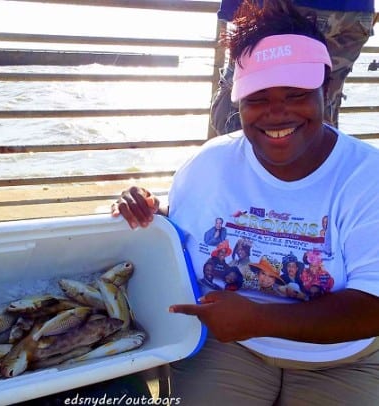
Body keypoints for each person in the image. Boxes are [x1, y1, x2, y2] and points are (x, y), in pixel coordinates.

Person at [111, 1, 379, 404]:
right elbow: (185, 236)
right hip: (230, 346)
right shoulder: (207, 164)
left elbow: (372, 308)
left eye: (296, 94)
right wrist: (146, 215)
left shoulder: (366, 178)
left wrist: (259, 319)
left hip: (343, 355)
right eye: (257, 97)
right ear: (237, 101)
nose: (277, 112)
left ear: (327, 90)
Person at [210, 0, 376, 134]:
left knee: (241, 102)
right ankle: (319, 173)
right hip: (358, 14)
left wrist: (235, 8)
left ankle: (242, 170)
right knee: (322, 103)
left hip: (294, 7)